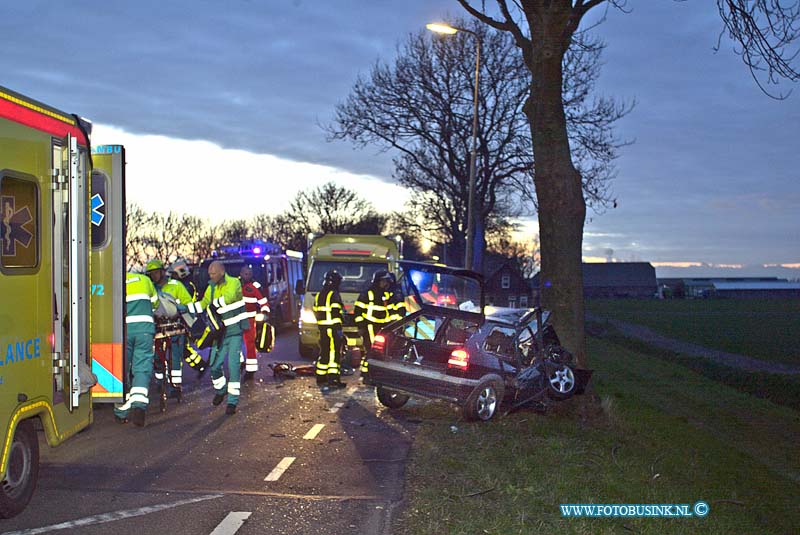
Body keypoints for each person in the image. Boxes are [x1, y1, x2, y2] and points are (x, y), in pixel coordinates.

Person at [198, 261, 250, 415]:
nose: (211, 276)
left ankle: (232, 402)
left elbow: (229, 297)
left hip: (234, 332)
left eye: (213, 273)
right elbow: (204, 303)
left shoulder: (234, 283)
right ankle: (221, 390)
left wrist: (213, 305)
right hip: (219, 334)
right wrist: (186, 309)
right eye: (209, 274)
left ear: (221, 272)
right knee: (214, 366)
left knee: (234, 367)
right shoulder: (211, 287)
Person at [146, 259, 199, 396]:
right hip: (158, 325)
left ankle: (175, 385)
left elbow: (189, 303)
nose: (153, 276)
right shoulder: (150, 287)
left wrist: (184, 309)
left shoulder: (176, 285)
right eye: (151, 274)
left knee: (176, 355)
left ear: (162, 272)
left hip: (176, 323)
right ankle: (160, 382)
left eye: (156, 273)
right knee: (157, 357)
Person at [115, 271, 159, 426]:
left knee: (121, 370)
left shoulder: (114, 279)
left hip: (123, 332)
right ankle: (139, 406)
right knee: (142, 368)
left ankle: (121, 411)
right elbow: (155, 303)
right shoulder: (145, 280)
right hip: (144, 331)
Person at [354, 270, 393, 376]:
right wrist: (361, 326)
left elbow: (387, 310)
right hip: (369, 326)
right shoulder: (367, 293)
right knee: (371, 349)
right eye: (384, 281)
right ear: (378, 281)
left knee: (378, 351)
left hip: (381, 327)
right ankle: (366, 373)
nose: (386, 283)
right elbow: (358, 311)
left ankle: (373, 372)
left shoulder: (385, 294)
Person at [313, 270, 346, 390]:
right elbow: (336, 313)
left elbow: (316, 312)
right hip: (332, 328)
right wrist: (339, 329)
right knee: (334, 353)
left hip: (323, 328)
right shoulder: (334, 294)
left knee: (325, 352)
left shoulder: (319, 294)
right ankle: (333, 379)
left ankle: (321, 376)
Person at [240, 266, 271, 381]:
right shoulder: (236, 285)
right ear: (241, 274)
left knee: (250, 344)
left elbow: (263, 301)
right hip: (237, 318)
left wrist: (265, 312)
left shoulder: (255, 286)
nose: (247, 276)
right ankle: (239, 363)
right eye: (245, 273)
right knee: (234, 343)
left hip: (249, 319)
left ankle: (251, 370)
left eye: (249, 274)